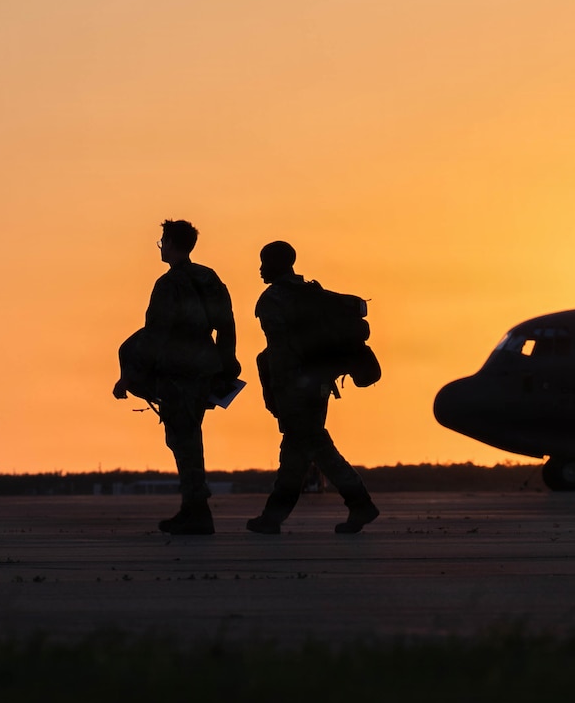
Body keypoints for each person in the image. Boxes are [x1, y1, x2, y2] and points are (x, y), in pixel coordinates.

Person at [114, 219, 240, 536]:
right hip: (204, 369)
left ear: (170, 243)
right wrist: (226, 365)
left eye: (162, 242)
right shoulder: (209, 277)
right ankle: (193, 509)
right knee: (190, 436)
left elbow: (155, 334)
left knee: (183, 440)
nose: (161, 248)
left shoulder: (168, 284)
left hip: (177, 371)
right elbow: (226, 325)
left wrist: (129, 376)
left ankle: (196, 510)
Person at [246, 240, 380, 535]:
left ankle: (360, 503)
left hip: (295, 388)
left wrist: (275, 394)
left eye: (265, 262)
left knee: (319, 449)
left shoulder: (273, 300)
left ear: (277, 264)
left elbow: (280, 354)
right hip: (319, 384)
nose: (260, 269)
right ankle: (272, 517)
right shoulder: (313, 293)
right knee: (295, 453)